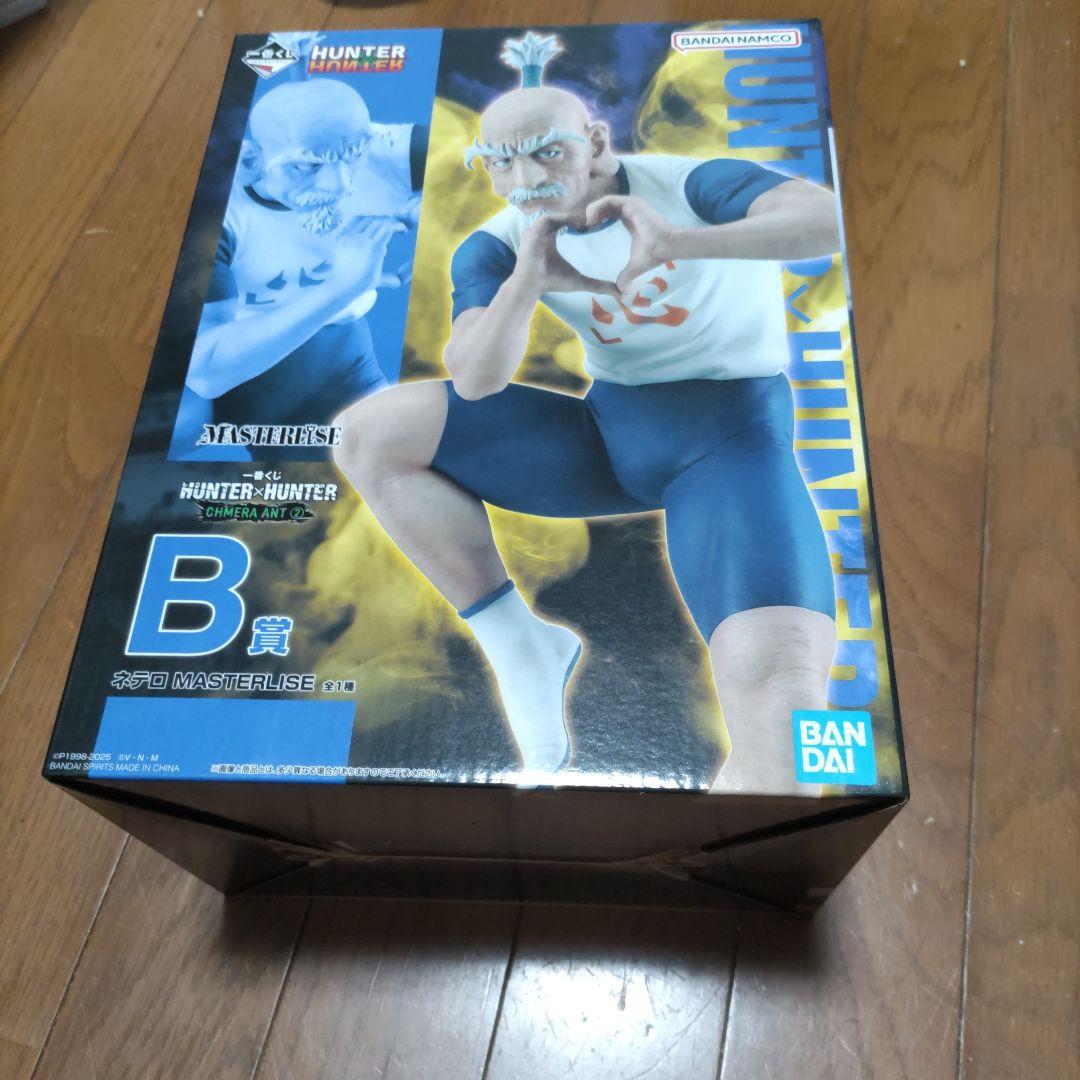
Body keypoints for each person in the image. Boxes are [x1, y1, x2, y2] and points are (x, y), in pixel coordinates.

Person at [334, 33, 841, 791]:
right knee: (369, 432)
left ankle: (737, 843)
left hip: (730, 445)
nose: (526, 179)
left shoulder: (687, 182)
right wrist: (528, 279)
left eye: (547, 153)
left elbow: (827, 221)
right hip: (607, 437)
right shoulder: (499, 243)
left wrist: (684, 242)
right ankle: (520, 645)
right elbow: (475, 379)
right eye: (500, 162)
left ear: (597, 142)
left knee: (782, 697)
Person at [177, 78, 427, 460]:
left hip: (350, 358)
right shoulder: (219, 215)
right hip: (256, 381)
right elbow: (206, 371)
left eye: (354, 155)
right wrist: (342, 287)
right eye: (306, 165)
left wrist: (445, 212)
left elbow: (493, 160)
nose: (339, 183)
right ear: (252, 161)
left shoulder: (371, 145)